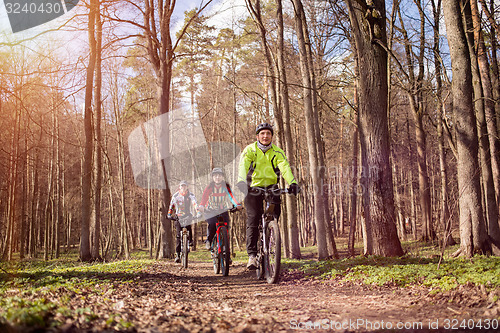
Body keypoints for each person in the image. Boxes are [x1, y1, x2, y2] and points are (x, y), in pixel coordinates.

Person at [236, 123, 300, 270]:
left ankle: (271, 236)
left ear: (272, 136)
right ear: (257, 136)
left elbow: (284, 167)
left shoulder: (277, 152)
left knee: (275, 216)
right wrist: (240, 181)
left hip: (271, 187)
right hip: (253, 188)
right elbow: (243, 165)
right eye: (262, 133)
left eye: (268, 134)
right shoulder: (250, 150)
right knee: (254, 217)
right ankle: (252, 255)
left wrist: (292, 182)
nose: (265, 136)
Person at [198, 168, 242, 251]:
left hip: (223, 209)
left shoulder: (226, 186)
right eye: (215, 176)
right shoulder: (209, 187)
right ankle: (209, 240)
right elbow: (204, 198)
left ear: (222, 177)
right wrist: (201, 206)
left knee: (226, 229)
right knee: (212, 224)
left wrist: (237, 204)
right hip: (211, 210)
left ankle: (226, 253)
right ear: (213, 177)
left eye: (219, 175)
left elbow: (231, 196)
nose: (217, 177)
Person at [167, 180, 199, 263]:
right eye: (182, 186)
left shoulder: (190, 195)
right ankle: (177, 254)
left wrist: (198, 212)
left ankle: (190, 241)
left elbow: (195, 203)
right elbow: (172, 206)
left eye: (185, 186)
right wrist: (169, 214)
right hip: (178, 216)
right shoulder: (176, 196)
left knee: (189, 226)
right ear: (179, 187)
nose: (183, 188)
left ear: (187, 187)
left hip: (188, 214)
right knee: (178, 235)